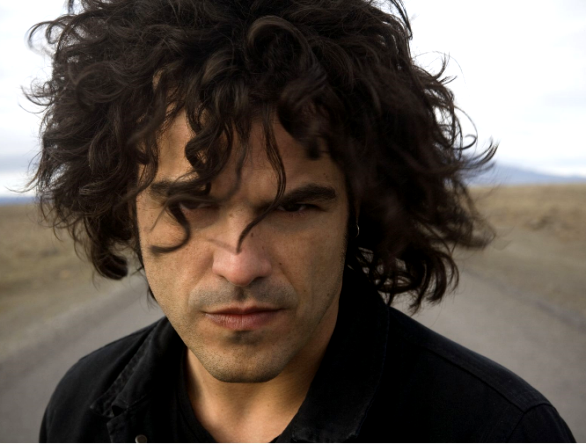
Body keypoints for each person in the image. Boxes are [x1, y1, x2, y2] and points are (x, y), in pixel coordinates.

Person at [28, 0, 575, 442]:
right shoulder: (81, 408)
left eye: (292, 207)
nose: (240, 266)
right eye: (188, 205)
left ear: (359, 210)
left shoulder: (500, 431)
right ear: (124, 207)